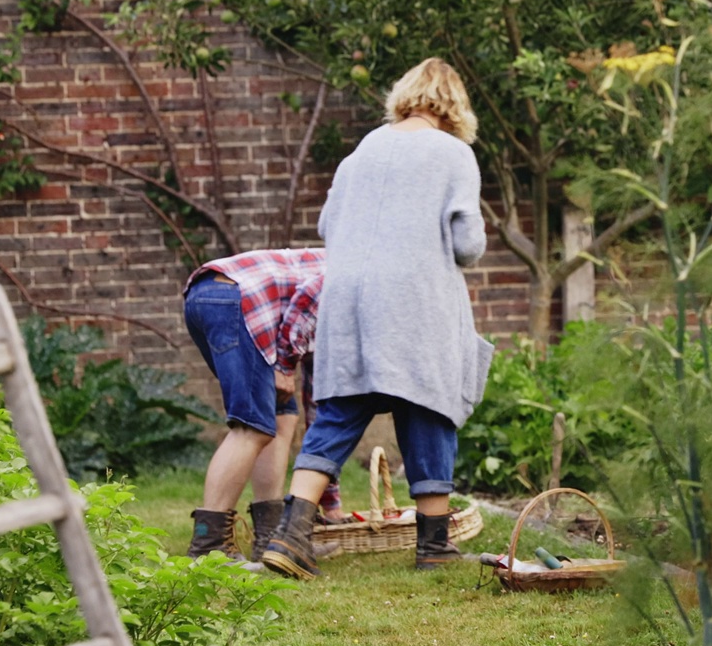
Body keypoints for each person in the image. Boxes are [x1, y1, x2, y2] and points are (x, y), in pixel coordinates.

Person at [260, 57, 494, 580]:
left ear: (404, 96)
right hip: (415, 300)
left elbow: (327, 224)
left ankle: (291, 536)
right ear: (454, 105)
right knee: (427, 408)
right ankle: (434, 546)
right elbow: (468, 244)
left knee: (340, 411)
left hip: (348, 301)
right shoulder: (454, 154)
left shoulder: (359, 153)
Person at [181, 248, 343, 568]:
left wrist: (331, 502)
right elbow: (311, 293)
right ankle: (208, 546)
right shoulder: (361, 274)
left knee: (282, 417)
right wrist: (284, 366)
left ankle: (270, 538)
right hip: (237, 299)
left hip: (210, 296)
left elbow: (317, 403)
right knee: (251, 426)